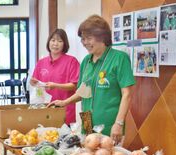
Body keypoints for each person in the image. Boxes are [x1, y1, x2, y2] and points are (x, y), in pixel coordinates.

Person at [49, 15, 135, 144]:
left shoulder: (119, 58)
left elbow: (127, 94)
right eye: (83, 39)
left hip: (109, 127)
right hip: (87, 125)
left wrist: (118, 123)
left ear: (102, 37)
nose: (85, 43)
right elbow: (83, 91)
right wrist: (64, 102)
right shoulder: (86, 61)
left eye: (89, 38)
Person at [30, 29, 80, 124]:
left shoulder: (72, 61)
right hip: (44, 110)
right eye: (53, 40)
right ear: (49, 42)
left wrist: (55, 85)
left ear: (64, 44)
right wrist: (32, 82)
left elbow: (75, 85)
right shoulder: (41, 62)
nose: (55, 44)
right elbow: (36, 83)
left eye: (60, 41)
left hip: (64, 112)